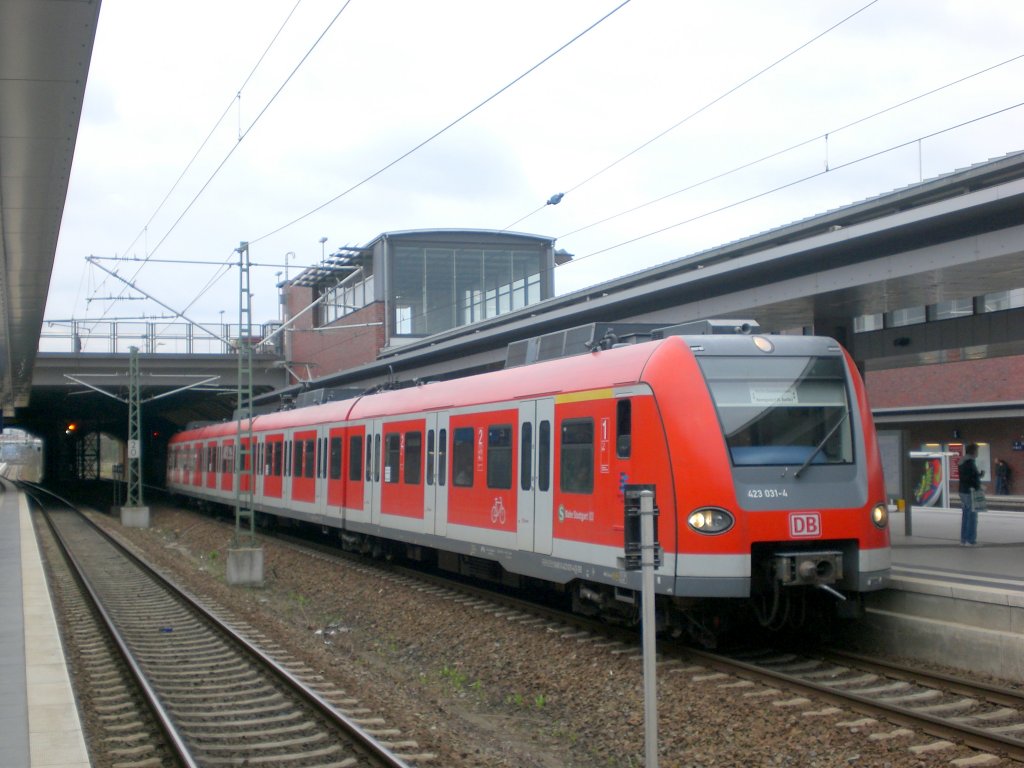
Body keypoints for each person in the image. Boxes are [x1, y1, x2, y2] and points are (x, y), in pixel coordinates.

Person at [958, 443, 982, 546]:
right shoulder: (970, 463)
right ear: (973, 452)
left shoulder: (962, 461)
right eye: (977, 451)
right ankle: (970, 539)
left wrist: (977, 475)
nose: (978, 453)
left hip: (963, 490)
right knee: (972, 516)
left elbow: (965, 476)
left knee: (966, 515)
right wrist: (977, 480)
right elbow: (970, 477)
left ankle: (964, 539)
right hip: (970, 491)